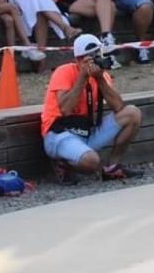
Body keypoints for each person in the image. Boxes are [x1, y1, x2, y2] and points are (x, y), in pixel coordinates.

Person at [42, 34, 144, 184]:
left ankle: (112, 167)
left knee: (133, 113)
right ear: (79, 59)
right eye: (92, 56)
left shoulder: (102, 75)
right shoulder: (64, 72)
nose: (97, 59)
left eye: (99, 54)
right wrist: (82, 78)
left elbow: (118, 107)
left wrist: (100, 79)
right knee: (91, 163)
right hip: (59, 134)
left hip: (86, 132)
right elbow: (66, 109)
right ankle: (62, 164)